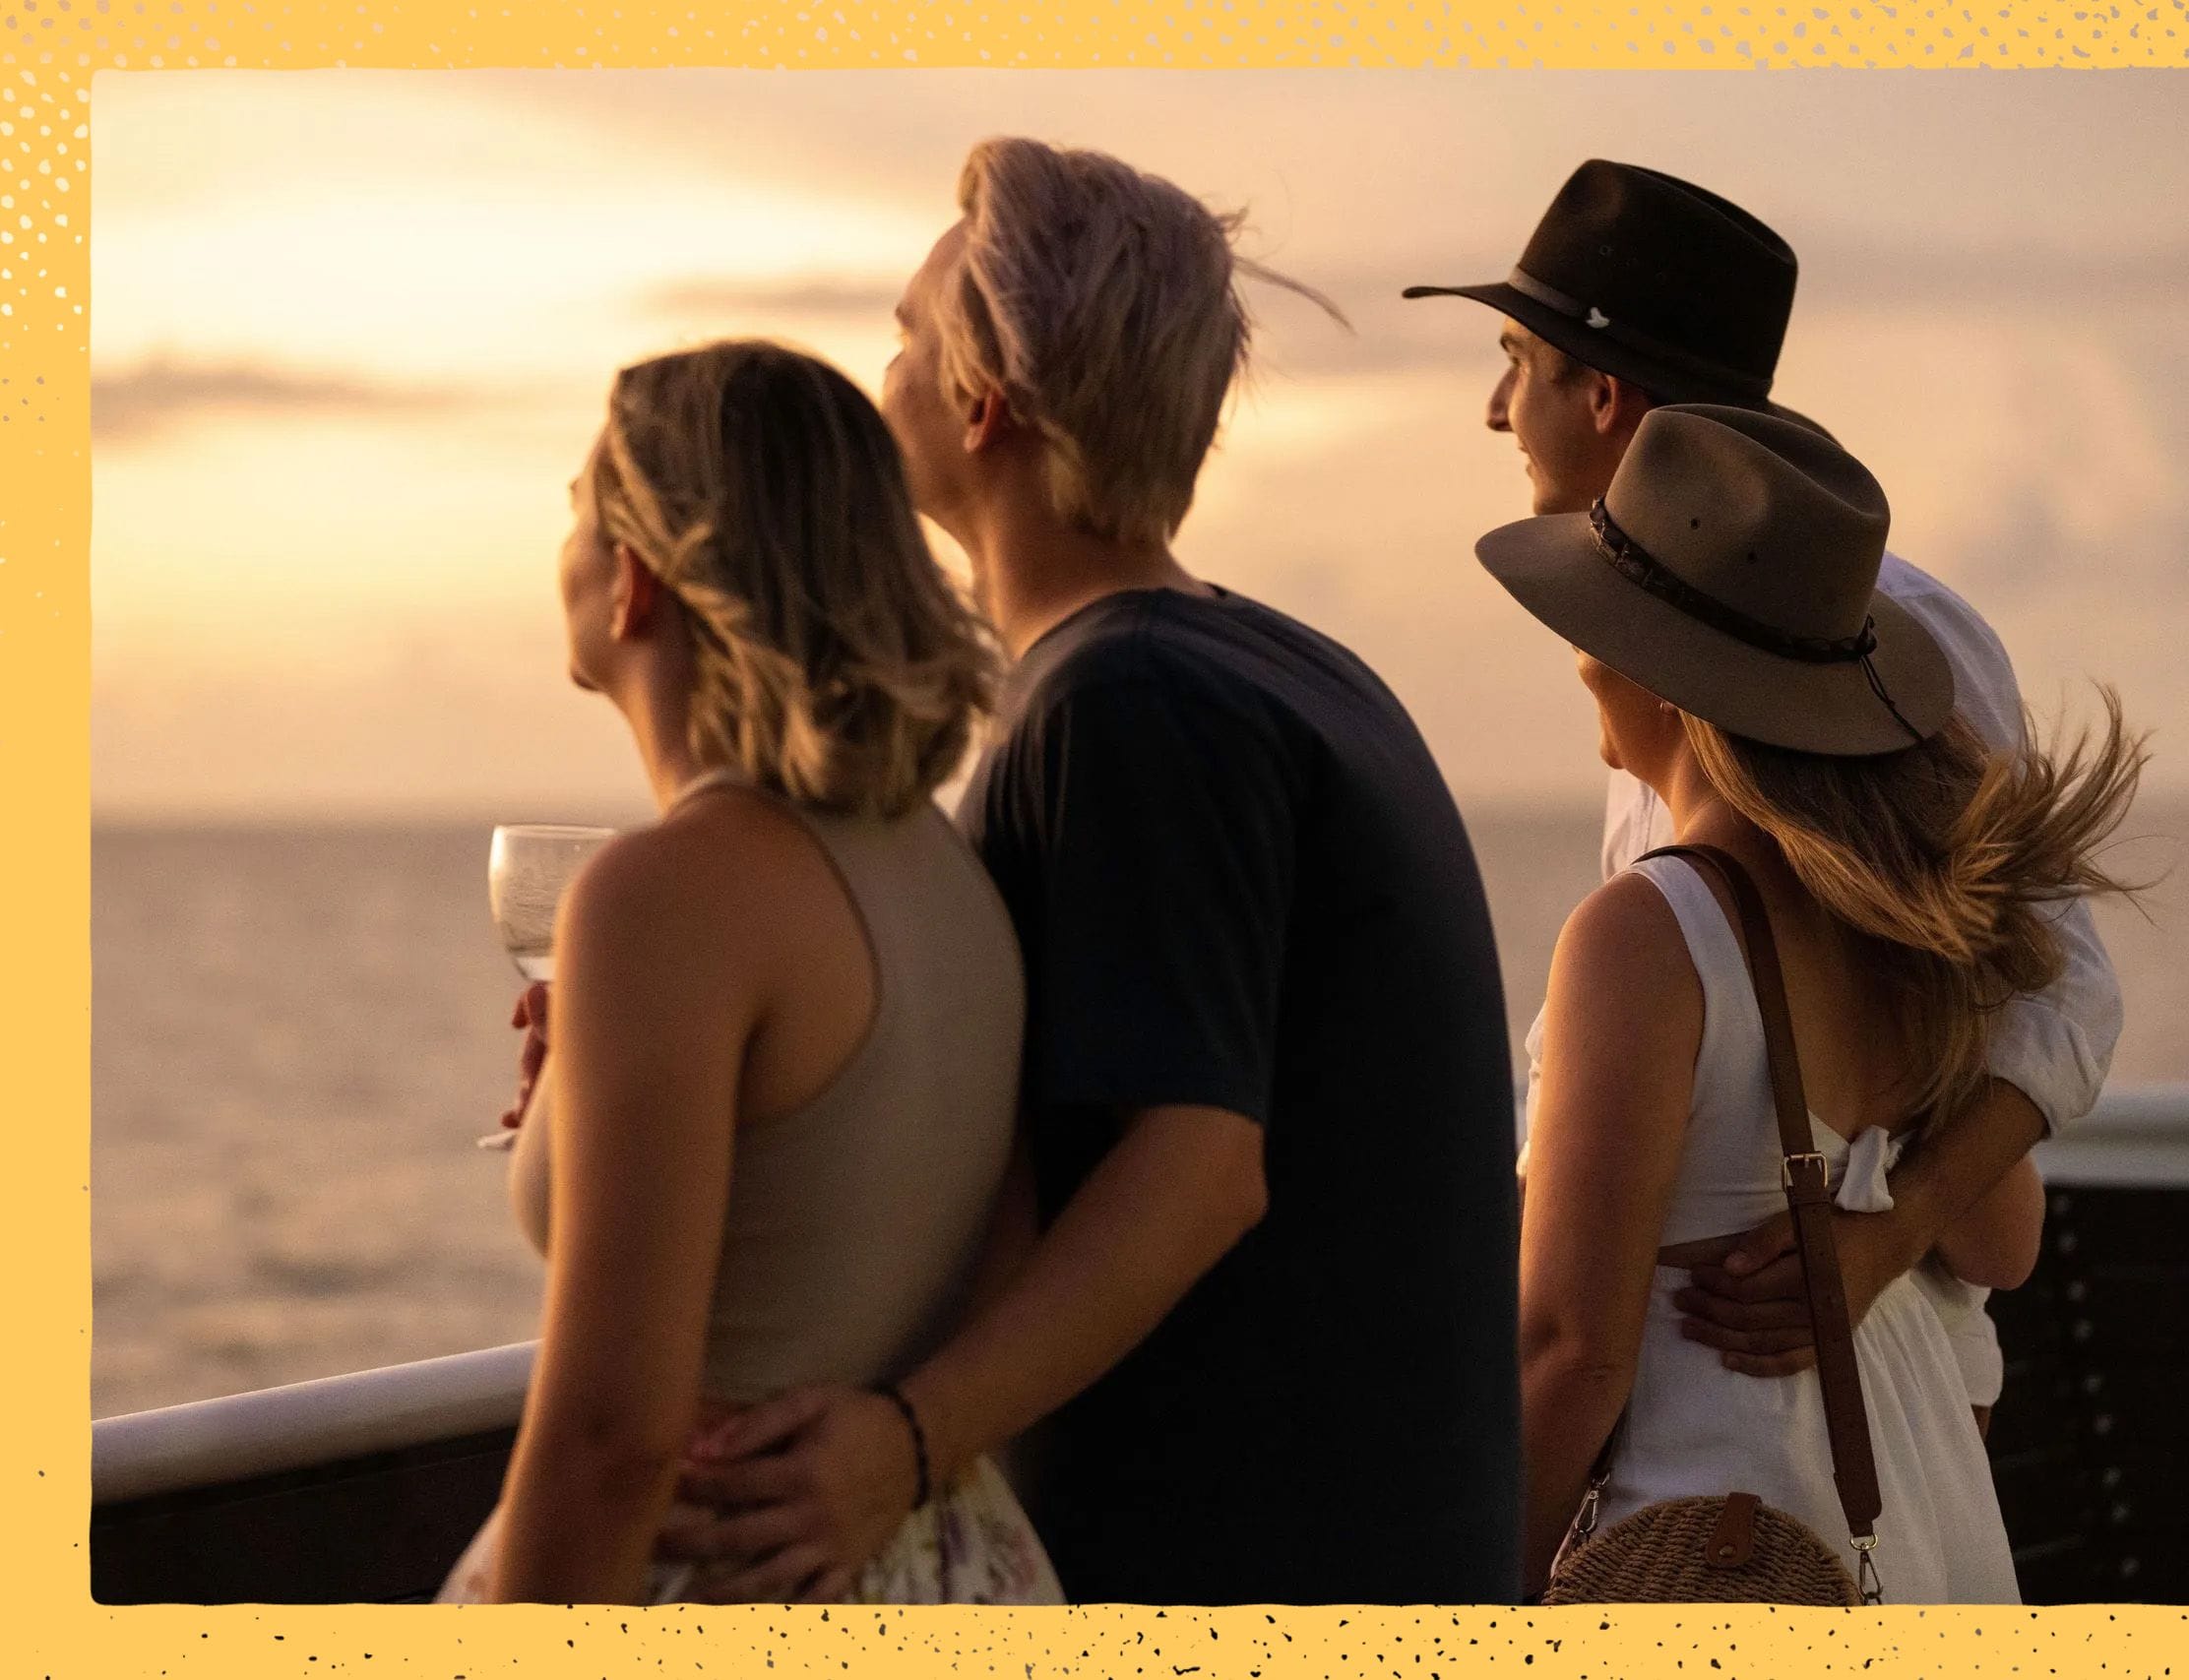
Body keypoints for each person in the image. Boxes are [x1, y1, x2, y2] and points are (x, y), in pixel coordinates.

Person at [656, 138, 1525, 1605]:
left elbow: (1193, 1169)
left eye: (905, 338)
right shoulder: (1290, 671)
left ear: (982, 401)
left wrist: (903, 1441)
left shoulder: (1125, 706)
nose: (884, 372)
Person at [1406, 159, 2122, 1431]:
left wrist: (1880, 1239)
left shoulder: (1875, 647)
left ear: (1605, 393)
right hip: (1763, 1403)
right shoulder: (1683, 659)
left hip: (1826, 1416)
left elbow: (2061, 994)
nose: (1494, 407)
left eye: (1517, 359)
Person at [1482, 403, 2143, 1600]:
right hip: (1920, 1525)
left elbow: (1568, 1350)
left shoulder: (1644, 935)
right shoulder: (1903, 928)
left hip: (1718, 1555)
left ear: (1659, 668)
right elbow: (2001, 1241)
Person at [440, 340, 1060, 1604]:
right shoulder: (945, 869)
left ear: (635, 583)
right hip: (942, 1568)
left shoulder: (666, 898)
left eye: (577, 507)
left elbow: (613, 1444)